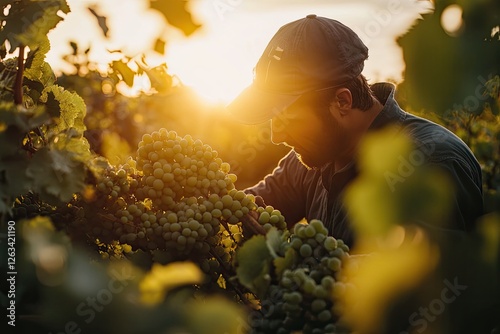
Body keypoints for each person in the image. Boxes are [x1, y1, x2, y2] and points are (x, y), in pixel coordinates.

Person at [226, 14, 483, 247]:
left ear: (342, 101)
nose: (276, 136)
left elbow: (431, 284)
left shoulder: (431, 161)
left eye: (288, 120)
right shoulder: (311, 159)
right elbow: (248, 207)